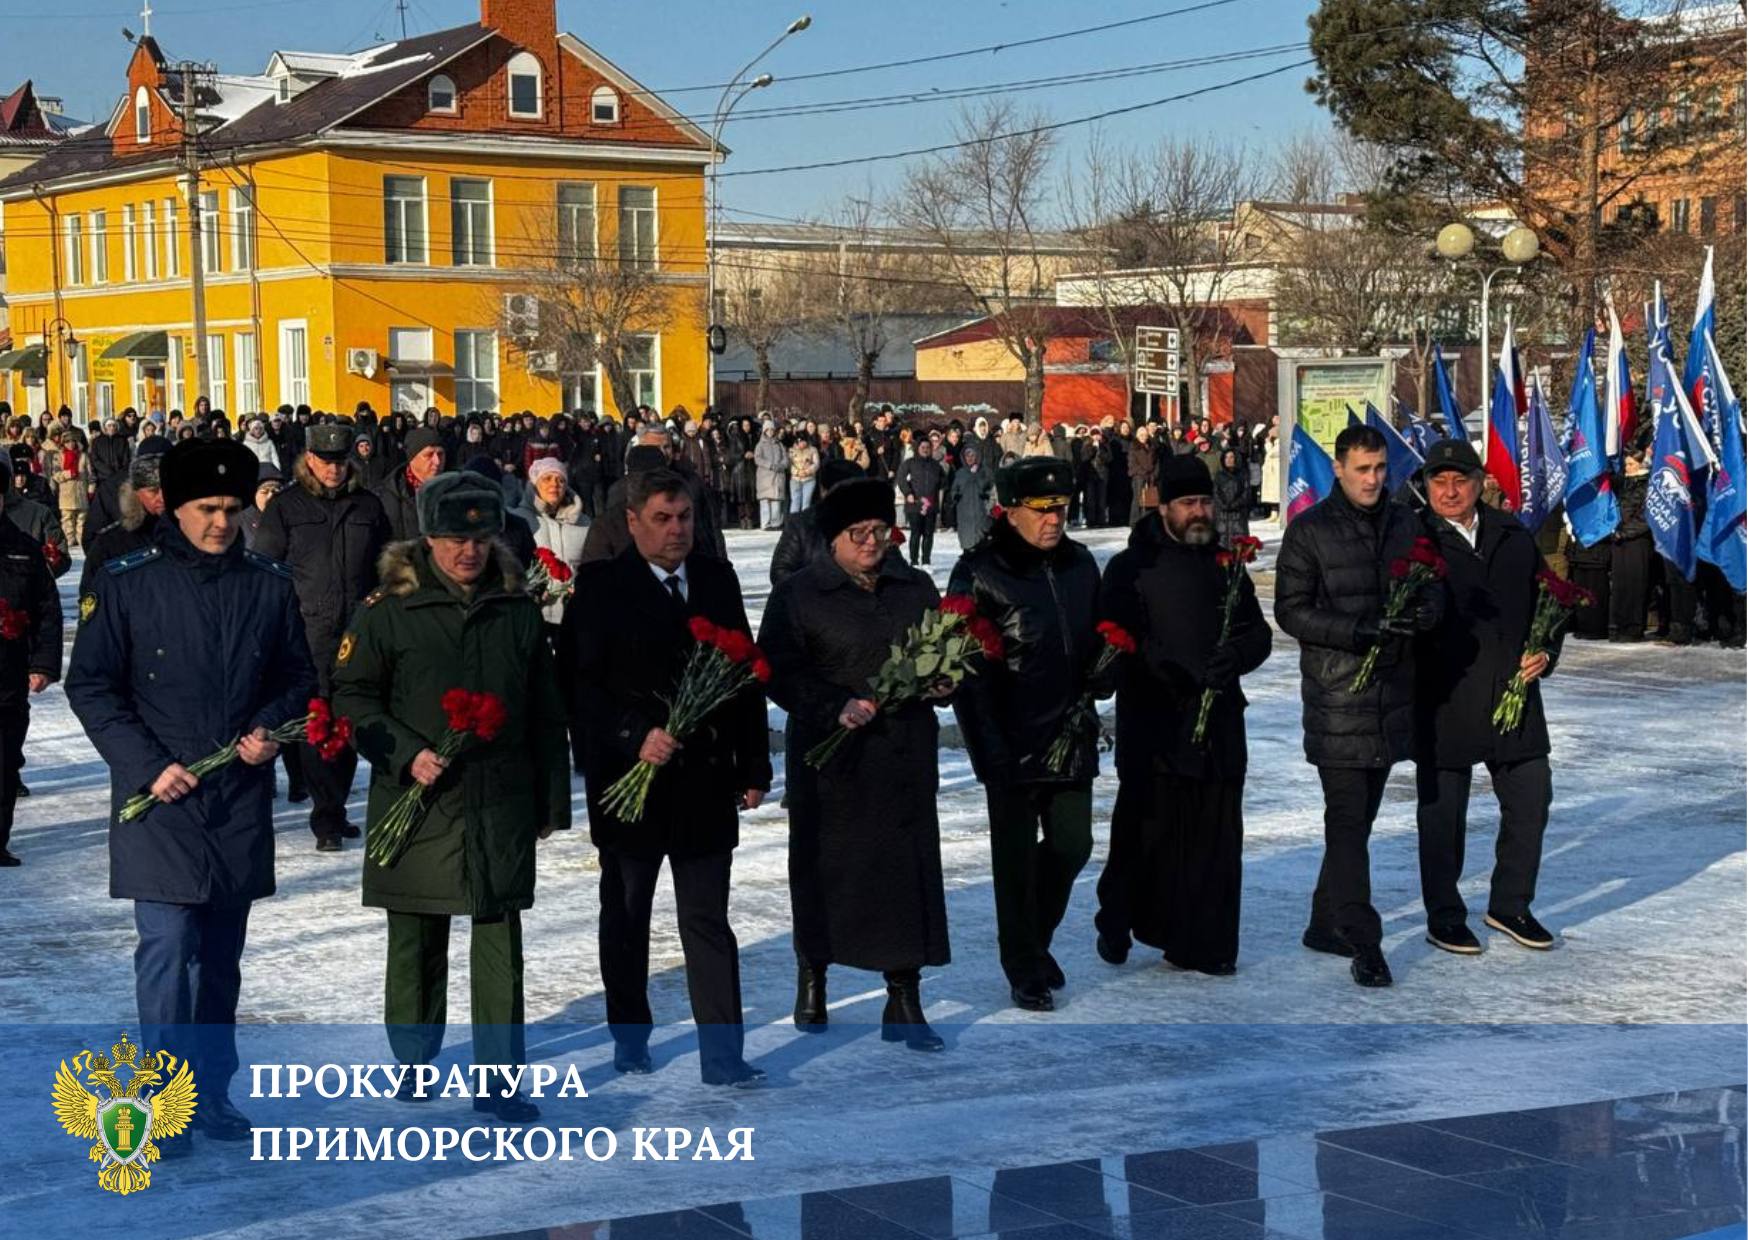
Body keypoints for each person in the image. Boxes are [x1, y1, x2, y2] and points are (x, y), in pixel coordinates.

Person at [65, 438, 317, 1154]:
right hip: (161, 802)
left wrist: (272, 729)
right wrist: (147, 767)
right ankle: (162, 1101)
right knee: (169, 948)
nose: (220, 523)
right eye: (206, 508)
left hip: (236, 795)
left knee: (220, 955)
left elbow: (298, 678)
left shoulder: (267, 583)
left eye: (232, 508)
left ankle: (213, 1093)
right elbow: (93, 686)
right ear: (171, 507)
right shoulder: (126, 581)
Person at [331, 471, 569, 1122]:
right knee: (415, 934)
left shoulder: (517, 611)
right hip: (418, 801)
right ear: (427, 538)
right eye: (453, 538)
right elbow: (351, 697)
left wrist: (550, 801)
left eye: (481, 538)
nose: (469, 551)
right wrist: (406, 754)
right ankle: (413, 1058)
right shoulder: (388, 610)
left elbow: (546, 711)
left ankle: (498, 1079)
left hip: (498, 800)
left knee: (499, 939)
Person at [562, 469, 771, 1087]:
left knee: (707, 918)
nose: (676, 530)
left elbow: (743, 674)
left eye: (683, 517)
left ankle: (723, 1053)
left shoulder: (715, 577)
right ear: (632, 521)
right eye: (662, 518)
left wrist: (754, 764)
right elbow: (579, 686)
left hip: (705, 780)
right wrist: (634, 734)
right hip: (631, 782)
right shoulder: (601, 586)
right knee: (627, 913)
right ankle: (630, 1033)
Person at [758, 479, 950, 1051]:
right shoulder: (799, 594)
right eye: (857, 533)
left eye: (879, 531)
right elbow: (777, 669)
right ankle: (814, 973)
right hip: (831, 760)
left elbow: (945, 645)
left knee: (905, 874)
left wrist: (946, 681)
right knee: (825, 870)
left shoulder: (913, 586)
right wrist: (829, 705)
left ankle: (903, 994)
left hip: (902, 755)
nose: (871, 542)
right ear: (832, 539)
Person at [1274, 423, 1443, 989]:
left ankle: (1325, 921)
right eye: (1362, 470)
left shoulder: (1405, 522)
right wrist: (1356, 630)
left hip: (1391, 697)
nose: (1373, 479)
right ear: (1340, 470)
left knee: (1357, 824)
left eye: (1380, 469)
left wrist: (1426, 614)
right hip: (1338, 698)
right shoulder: (1309, 531)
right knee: (1347, 822)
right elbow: (1291, 611)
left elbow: (1431, 586)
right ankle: (1363, 941)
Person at [1093, 456, 1271, 974]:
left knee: (1215, 840)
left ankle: (1204, 944)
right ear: (1164, 506)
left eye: (1205, 503)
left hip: (1218, 723)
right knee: (1145, 835)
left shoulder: (1225, 563)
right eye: (1188, 504)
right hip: (1156, 722)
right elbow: (1115, 638)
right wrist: (1159, 666)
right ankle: (1119, 917)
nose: (1200, 513)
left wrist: (1235, 657)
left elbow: (1256, 634)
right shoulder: (1132, 566)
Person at [948, 458, 1103, 1011]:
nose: (1053, 519)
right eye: (1040, 511)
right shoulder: (980, 571)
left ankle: (1033, 940)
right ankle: (1023, 964)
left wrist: (1105, 669)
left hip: (1069, 732)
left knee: (1073, 844)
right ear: (1009, 511)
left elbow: (1094, 637)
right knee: (1013, 862)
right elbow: (965, 672)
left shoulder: (1081, 564)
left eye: (1060, 508)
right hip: (1009, 738)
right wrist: (989, 749)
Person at [1412, 439, 1559, 954]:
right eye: (1439, 481)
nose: (1450, 491)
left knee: (1531, 798)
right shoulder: (1414, 538)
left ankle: (1510, 905)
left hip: (1514, 693)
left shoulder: (1512, 533)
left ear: (1480, 483)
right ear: (1425, 486)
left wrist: (1546, 649)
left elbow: (1551, 597)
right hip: (1445, 698)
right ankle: (1445, 914)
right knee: (1442, 814)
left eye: (1460, 481)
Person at [252, 422, 393, 850]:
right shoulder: (286, 506)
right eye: (326, 460)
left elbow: (388, 564)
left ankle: (335, 807)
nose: (333, 468)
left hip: (357, 631)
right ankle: (325, 815)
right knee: (317, 721)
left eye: (341, 460)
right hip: (305, 631)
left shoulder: (368, 506)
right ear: (310, 459)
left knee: (348, 719)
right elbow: (265, 568)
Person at [0, 454, 61, 866]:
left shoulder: (22, 548)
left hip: (7, 675)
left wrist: (42, 664)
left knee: (4, 762)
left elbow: (47, 609)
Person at [83, 438, 170, 590]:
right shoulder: (111, 488)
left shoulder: (194, 529)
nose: (161, 497)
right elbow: (93, 538)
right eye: (153, 490)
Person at [768, 458, 868, 590]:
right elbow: (780, 571)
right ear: (824, 491)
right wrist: (813, 593)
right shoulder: (802, 524)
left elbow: (896, 573)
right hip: (809, 605)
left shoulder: (874, 527)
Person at [373, 426, 446, 543]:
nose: (437, 462)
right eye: (429, 455)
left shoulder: (456, 491)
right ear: (412, 458)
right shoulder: (385, 496)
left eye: (440, 454)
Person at [896, 438, 944, 567]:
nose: (925, 450)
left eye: (928, 447)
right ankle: (914, 561)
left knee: (928, 534)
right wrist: (908, 493)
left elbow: (943, 480)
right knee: (916, 533)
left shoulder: (935, 465)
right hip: (914, 504)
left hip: (931, 505)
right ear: (918, 448)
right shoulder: (910, 463)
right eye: (923, 447)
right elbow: (901, 478)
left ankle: (926, 561)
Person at [948, 444, 996, 552]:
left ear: (977, 456)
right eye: (967, 456)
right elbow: (954, 489)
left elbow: (993, 488)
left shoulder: (985, 472)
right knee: (967, 540)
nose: (970, 458)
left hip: (981, 510)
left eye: (972, 455)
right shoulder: (960, 473)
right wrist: (955, 496)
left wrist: (987, 495)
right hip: (964, 512)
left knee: (982, 541)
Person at [1213, 449, 1251, 547]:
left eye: (1231, 457)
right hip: (1222, 515)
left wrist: (1235, 504)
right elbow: (1215, 492)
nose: (1229, 460)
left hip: (1238, 515)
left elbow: (1246, 493)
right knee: (1222, 549)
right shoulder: (1219, 475)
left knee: (1238, 548)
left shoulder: (1243, 474)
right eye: (1226, 457)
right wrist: (1223, 504)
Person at [754, 423, 789, 530]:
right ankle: (766, 523)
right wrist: (769, 465)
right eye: (768, 430)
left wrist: (781, 466)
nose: (770, 432)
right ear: (764, 431)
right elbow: (757, 458)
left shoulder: (779, 444)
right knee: (765, 500)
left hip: (778, 476)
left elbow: (786, 459)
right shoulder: (760, 445)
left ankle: (776, 523)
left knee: (776, 501)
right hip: (765, 477)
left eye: (772, 430)